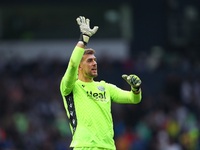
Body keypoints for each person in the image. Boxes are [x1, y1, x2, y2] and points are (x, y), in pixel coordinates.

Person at [60, 16, 142, 150]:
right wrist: (84, 38)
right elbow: (72, 64)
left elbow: (133, 99)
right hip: (84, 146)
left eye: (95, 60)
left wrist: (136, 88)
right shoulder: (70, 87)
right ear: (80, 67)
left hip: (108, 147)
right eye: (89, 61)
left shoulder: (105, 87)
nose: (94, 63)